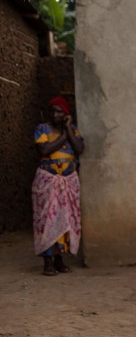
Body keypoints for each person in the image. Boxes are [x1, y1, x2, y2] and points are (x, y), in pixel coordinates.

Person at [32, 96, 84, 276]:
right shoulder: (42, 129)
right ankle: (47, 262)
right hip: (48, 182)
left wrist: (68, 128)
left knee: (65, 220)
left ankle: (59, 260)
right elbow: (45, 150)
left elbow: (79, 149)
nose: (55, 114)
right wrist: (64, 136)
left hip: (68, 181)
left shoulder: (73, 131)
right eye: (52, 111)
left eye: (59, 111)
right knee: (48, 221)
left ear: (66, 114)